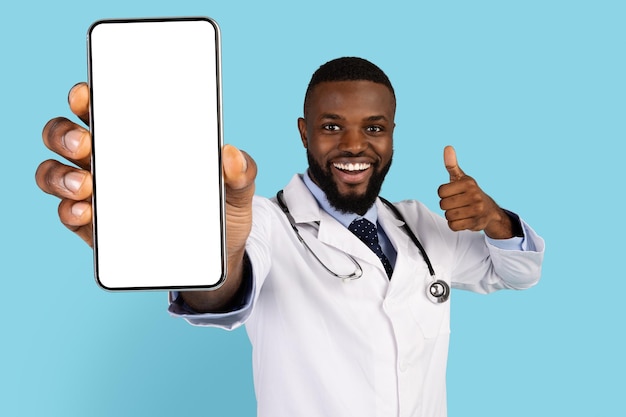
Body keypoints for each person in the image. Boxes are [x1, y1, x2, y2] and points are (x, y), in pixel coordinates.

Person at [36, 57, 544, 417]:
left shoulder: (422, 224)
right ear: (303, 132)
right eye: (331, 126)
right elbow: (220, 292)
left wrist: (496, 220)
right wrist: (212, 256)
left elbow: (519, 272)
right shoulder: (262, 222)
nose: (354, 146)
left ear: (391, 133)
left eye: (373, 128)